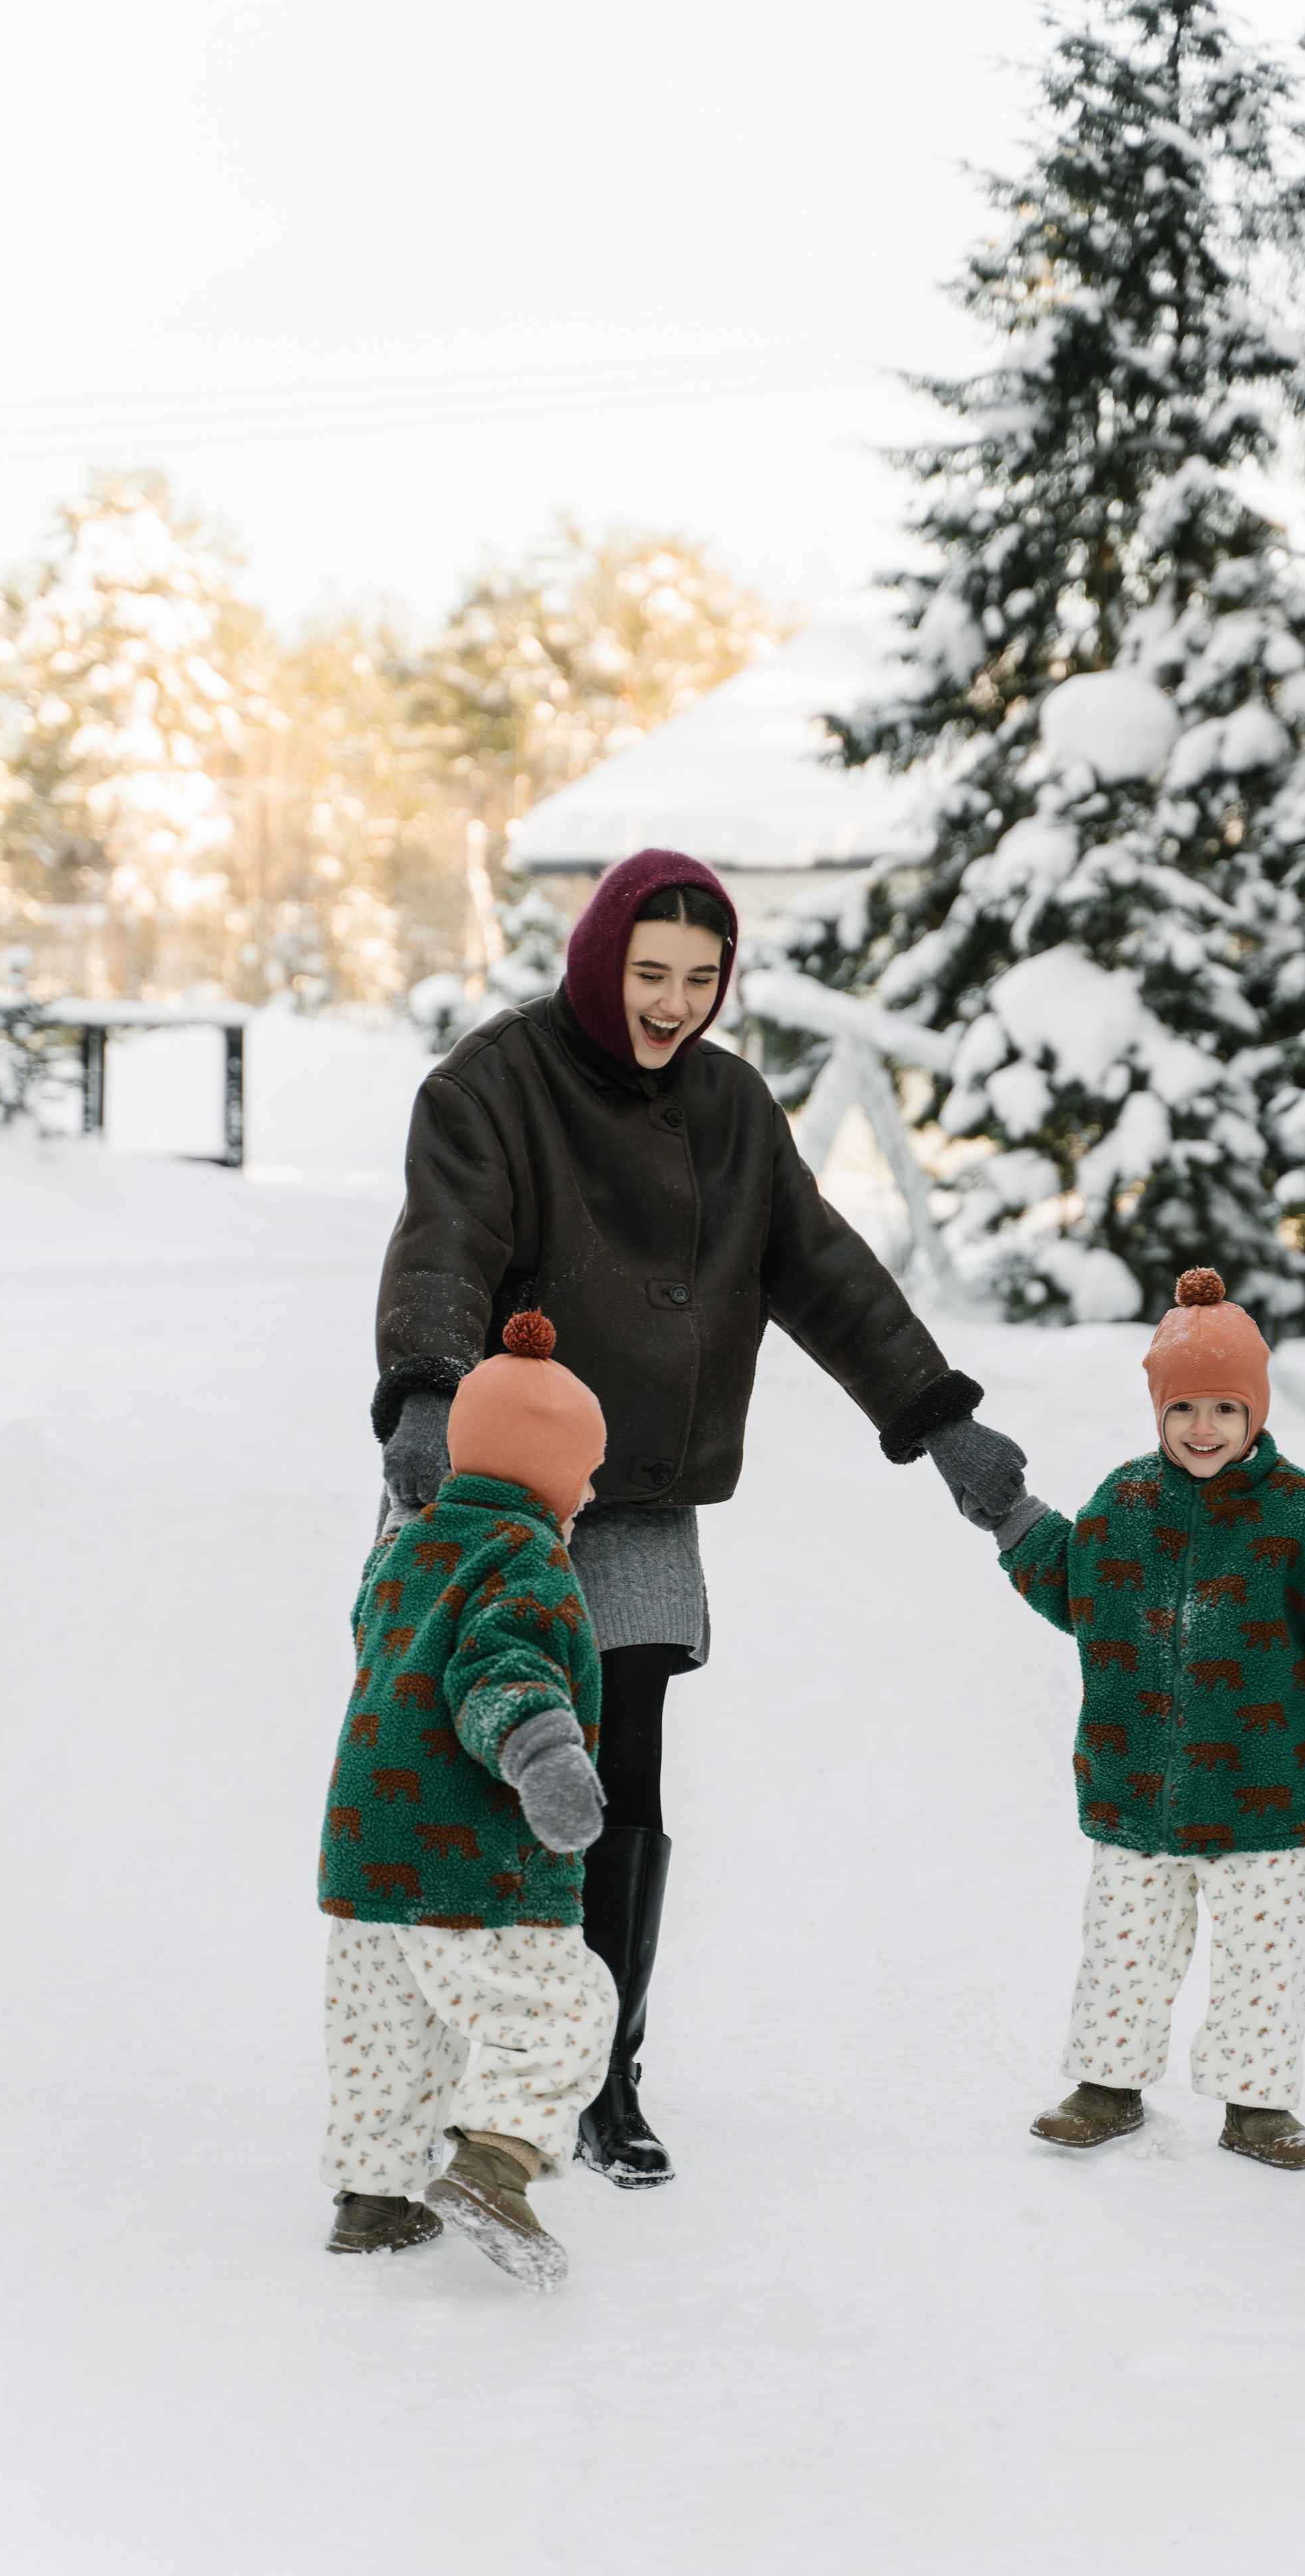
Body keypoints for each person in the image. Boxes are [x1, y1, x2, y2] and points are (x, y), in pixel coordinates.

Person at [371, 847, 1028, 2184]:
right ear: (599, 961)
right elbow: (442, 1238)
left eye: (699, 976)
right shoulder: (491, 1086)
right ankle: (439, 2072)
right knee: (470, 1780)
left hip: (640, 1497)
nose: (672, 1003)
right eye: (648, 973)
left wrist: (936, 1418)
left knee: (622, 1787)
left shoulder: (728, 1108)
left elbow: (826, 1272)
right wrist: (429, 1396)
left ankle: (598, 2080)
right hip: (490, 1489)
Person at [987, 1265, 1305, 2170]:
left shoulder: (1304, 1520)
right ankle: (1108, 2083)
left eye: (1223, 1408)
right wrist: (1013, 1519)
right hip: (1140, 1785)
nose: (1202, 1428)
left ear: (1255, 1411)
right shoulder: (1126, 1504)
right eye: (1183, 1410)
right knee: (1124, 1945)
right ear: (1159, 1415)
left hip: (1268, 1791)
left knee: (1262, 1958)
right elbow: (1072, 1582)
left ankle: (1257, 2106)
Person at [320, 1308, 616, 2290]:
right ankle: (495, 2165)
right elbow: (501, 1669)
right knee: (568, 2009)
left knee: (388, 2036)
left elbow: (376, 1637)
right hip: (467, 1856)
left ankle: (374, 2201)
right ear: (554, 1477)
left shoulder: (401, 1549)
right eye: (586, 1473)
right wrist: (542, 1754)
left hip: (367, 1855)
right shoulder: (529, 1559)